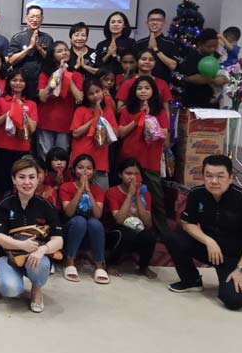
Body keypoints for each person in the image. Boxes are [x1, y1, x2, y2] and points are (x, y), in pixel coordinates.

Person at [163, 155, 242, 310]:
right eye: (208, 176)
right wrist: (209, 241)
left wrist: (241, 269)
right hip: (210, 250)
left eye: (220, 176)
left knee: (235, 301)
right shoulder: (197, 193)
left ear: (231, 178)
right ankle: (191, 280)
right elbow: (187, 223)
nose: (214, 181)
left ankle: (230, 278)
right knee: (173, 237)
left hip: (235, 257)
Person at [0, 156, 63, 313]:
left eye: (32, 177)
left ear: (38, 179)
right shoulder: (5, 204)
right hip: (9, 256)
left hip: (36, 257)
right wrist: (21, 245)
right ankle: (15, 277)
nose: (27, 182)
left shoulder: (46, 206)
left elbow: (58, 240)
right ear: (14, 180)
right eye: (21, 177)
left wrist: (41, 250)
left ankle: (37, 289)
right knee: (10, 290)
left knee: (41, 263)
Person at [117, 76, 169, 235]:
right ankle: (125, 230)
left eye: (147, 88)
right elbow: (121, 132)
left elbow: (165, 132)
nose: (143, 91)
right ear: (134, 91)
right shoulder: (127, 110)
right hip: (131, 156)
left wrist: (149, 119)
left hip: (150, 157)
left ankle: (162, 232)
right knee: (128, 194)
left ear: (153, 91)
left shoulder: (159, 111)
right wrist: (138, 117)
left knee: (156, 197)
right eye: (140, 88)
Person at [60, 154, 109, 284]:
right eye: (80, 167)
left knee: (95, 222)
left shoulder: (97, 190)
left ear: (94, 171)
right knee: (79, 220)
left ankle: (100, 264)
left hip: (90, 234)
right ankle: (70, 261)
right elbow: (69, 213)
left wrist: (88, 191)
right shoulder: (66, 187)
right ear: (74, 170)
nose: (85, 171)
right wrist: (80, 189)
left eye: (89, 168)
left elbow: (98, 214)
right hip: (71, 231)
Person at [0, 69, 38, 197]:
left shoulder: (31, 104)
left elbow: (32, 129)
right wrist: (9, 112)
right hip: (1, 149)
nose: (18, 83)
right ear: (9, 82)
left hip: (22, 150)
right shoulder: (1, 101)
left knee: (20, 186)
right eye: (14, 80)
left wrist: (22, 112)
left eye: (21, 81)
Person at [105, 159, 157, 278]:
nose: (133, 177)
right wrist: (129, 195)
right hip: (116, 231)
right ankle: (112, 264)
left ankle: (143, 266)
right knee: (126, 233)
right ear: (120, 175)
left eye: (136, 174)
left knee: (149, 235)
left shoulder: (145, 192)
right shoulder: (112, 192)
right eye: (128, 174)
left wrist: (138, 195)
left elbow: (147, 222)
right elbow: (119, 220)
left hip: (137, 229)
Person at [37, 41, 84, 160]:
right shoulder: (45, 74)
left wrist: (67, 76)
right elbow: (43, 97)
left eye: (66, 50)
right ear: (52, 56)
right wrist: (56, 76)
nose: (64, 52)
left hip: (65, 122)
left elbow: (79, 97)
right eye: (59, 51)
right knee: (45, 157)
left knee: (61, 159)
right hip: (46, 120)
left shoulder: (77, 75)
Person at [70, 78, 117, 189]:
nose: (95, 96)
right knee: (78, 193)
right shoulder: (81, 110)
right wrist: (94, 118)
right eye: (91, 94)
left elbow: (115, 133)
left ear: (103, 91)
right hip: (81, 159)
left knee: (101, 194)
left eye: (97, 91)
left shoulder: (108, 111)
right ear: (86, 96)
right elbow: (75, 133)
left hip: (100, 160)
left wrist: (103, 120)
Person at [6, 5, 54, 98]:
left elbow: (51, 61)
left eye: (38, 17)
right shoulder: (18, 37)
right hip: (21, 83)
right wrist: (29, 48)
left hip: (41, 84)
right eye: (32, 16)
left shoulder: (47, 38)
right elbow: (11, 60)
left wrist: (39, 48)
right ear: (26, 18)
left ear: (42, 19)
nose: (35, 20)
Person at [116, 48, 173, 120]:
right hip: (133, 124)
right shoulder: (128, 83)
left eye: (151, 60)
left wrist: (166, 128)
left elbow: (166, 109)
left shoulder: (162, 83)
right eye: (143, 59)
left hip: (156, 127)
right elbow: (119, 109)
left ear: (155, 62)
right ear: (137, 62)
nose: (147, 62)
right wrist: (139, 107)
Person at [177, 28, 229, 108]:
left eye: (215, 46)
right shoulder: (192, 57)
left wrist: (224, 78)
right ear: (200, 44)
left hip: (213, 104)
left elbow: (222, 68)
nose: (212, 49)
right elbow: (188, 78)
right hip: (195, 102)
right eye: (208, 46)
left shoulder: (216, 56)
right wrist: (214, 80)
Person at [135, 9, 178, 82]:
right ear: (147, 23)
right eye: (152, 20)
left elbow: (173, 66)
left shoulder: (171, 43)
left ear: (164, 23)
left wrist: (156, 49)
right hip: (141, 84)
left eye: (158, 20)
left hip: (162, 84)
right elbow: (134, 66)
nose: (154, 22)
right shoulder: (139, 43)